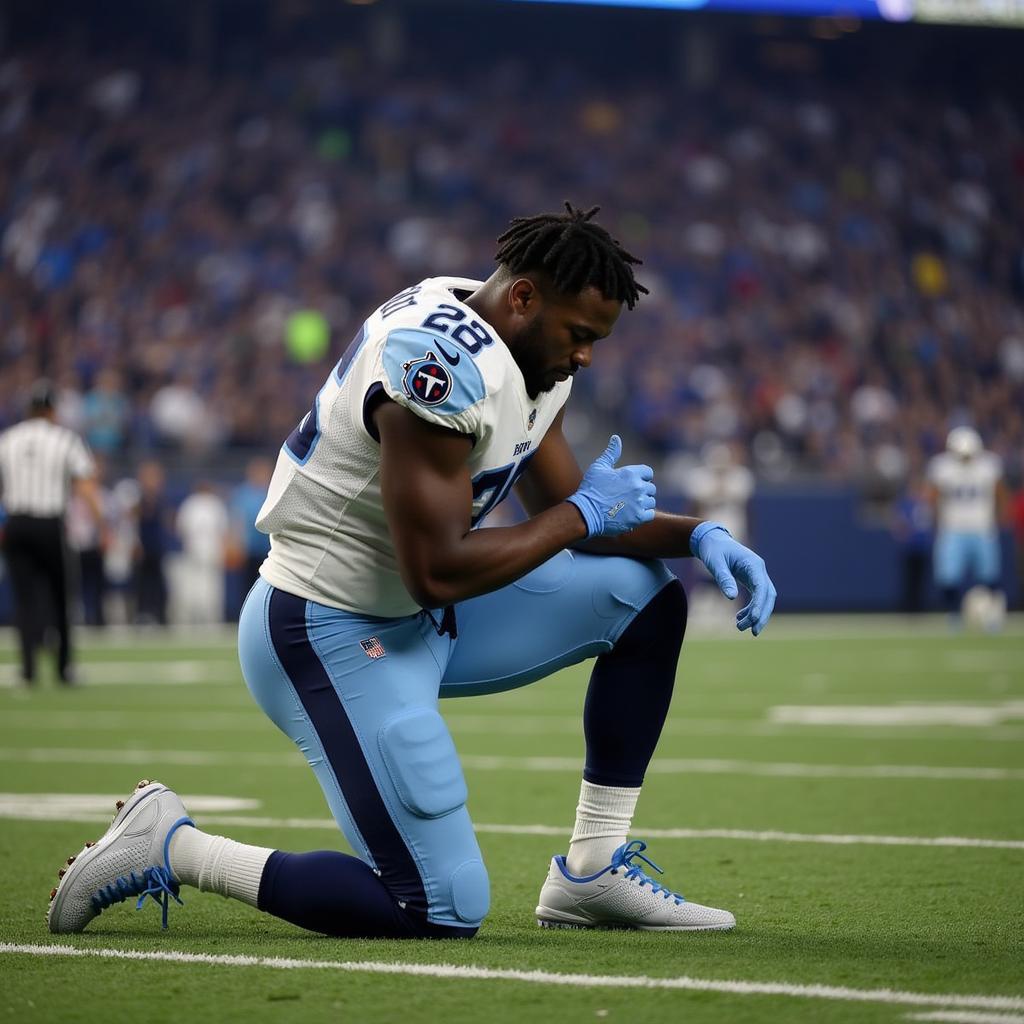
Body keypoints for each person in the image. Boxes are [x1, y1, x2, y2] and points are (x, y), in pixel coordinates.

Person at [48, 205, 776, 939]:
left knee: (645, 597)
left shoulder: (524, 344)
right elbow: (440, 568)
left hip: (425, 614)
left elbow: (562, 506)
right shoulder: (439, 361)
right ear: (524, 298)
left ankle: (593, 871)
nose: (585, 357)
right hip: (327, 625)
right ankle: (174, 845)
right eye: (580, 336)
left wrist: (696, 533)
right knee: (436, 906)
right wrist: (585, 513)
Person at [0, 380, 105, 685]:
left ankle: (28, 669)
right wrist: (102, 523)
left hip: (16, 524)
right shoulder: (64, 439)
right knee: (61, 597)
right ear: (52, 410)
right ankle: (63, 668)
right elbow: (85, 486)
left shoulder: (8, 439)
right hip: (49, 525)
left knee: (24, 598)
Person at [927, 426, 1008, 619]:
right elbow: (933, 497)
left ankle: (992, 616)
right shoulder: (941, 466)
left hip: (982, 527)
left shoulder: (989, 465)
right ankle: (953, 614)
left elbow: (1001, 494)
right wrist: (937, 522)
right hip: (952, 527)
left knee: (989, 576)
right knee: (948, 577)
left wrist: (998, 518)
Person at [172, 482, 229, 624]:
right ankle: (210, 620)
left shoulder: (190, 504)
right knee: (208, 588)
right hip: (208, 552)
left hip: (197, 551)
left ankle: (198, 620)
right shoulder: (214, 504)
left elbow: (180, 530)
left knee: (199, 588)